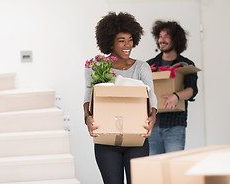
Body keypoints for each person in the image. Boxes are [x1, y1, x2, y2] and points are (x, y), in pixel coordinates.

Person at [83, 12, 157, 184]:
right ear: (110, 42)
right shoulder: (97, 67)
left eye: (130, 39)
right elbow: (88, 98)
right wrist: (88, 118)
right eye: (121, 40)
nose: (127, 45)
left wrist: (152, 119)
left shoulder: (141, 67)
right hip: (106, 141)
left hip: (137, 140)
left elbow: (151, 99)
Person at [147, 20, 198, 155]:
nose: (162, 40)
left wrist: (176, 96)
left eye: (166, 36)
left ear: (176, 39)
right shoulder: (149, 66)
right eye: (160, 36)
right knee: (155, 169)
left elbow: (192, 90)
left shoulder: (185, 65)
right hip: (152, 126)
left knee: (173, 167)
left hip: (175, 126)